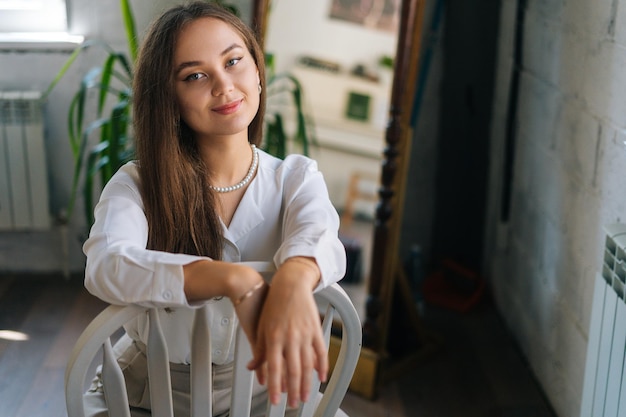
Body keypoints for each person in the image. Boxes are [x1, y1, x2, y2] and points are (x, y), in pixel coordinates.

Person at [81, 2, 347, 416]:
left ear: (258, 72)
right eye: (195, 75)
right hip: (146, 396)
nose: (224, 86)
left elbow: (320, 235)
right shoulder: (136, 184)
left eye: (234, 61)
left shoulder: (296, 177)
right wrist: (233, 280)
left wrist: (294, 279)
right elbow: (106, 264)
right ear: (169, 97)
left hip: (267, 396)